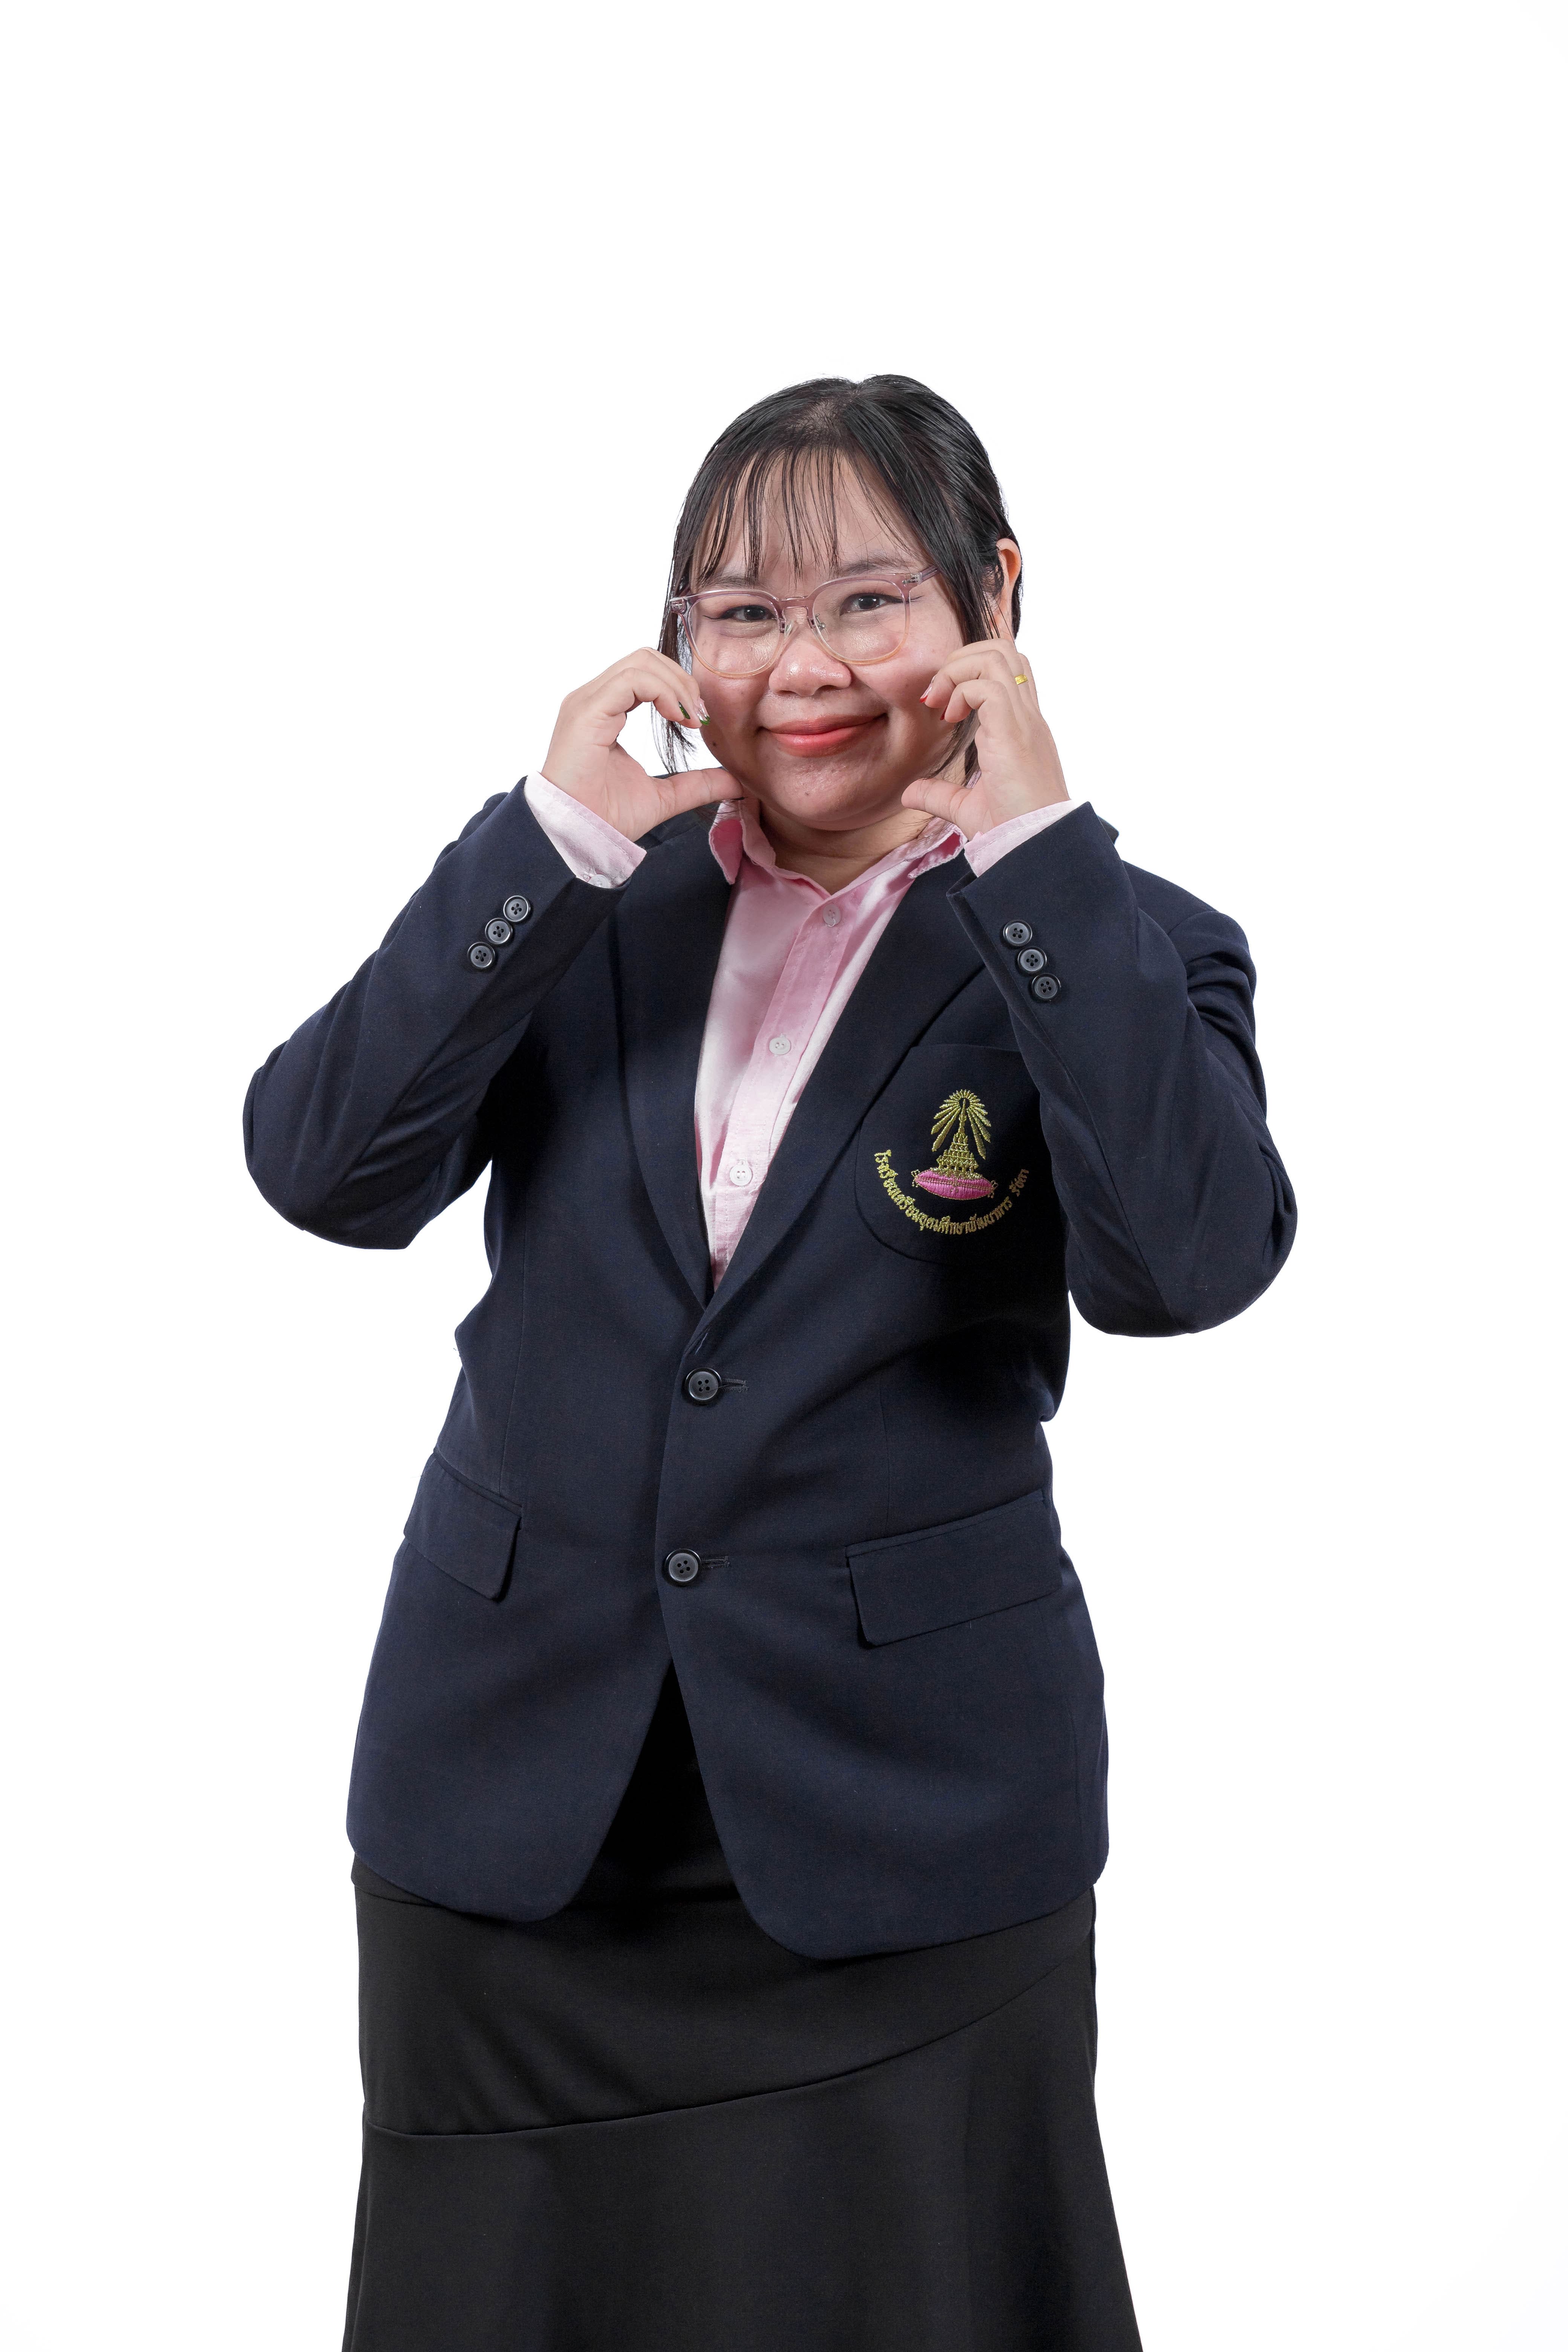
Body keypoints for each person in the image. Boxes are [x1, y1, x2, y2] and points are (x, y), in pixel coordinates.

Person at [245, 373, 1295, 2352]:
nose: (800, 667)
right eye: (741, 613)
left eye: (867, 603)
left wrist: (1036, 851)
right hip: (518, 1822)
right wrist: (550, 839)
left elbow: (1187, 1268)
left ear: (993, 600)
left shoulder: (1119, 938)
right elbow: (324, 1171)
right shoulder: (579, 899)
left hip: (906, 1830)